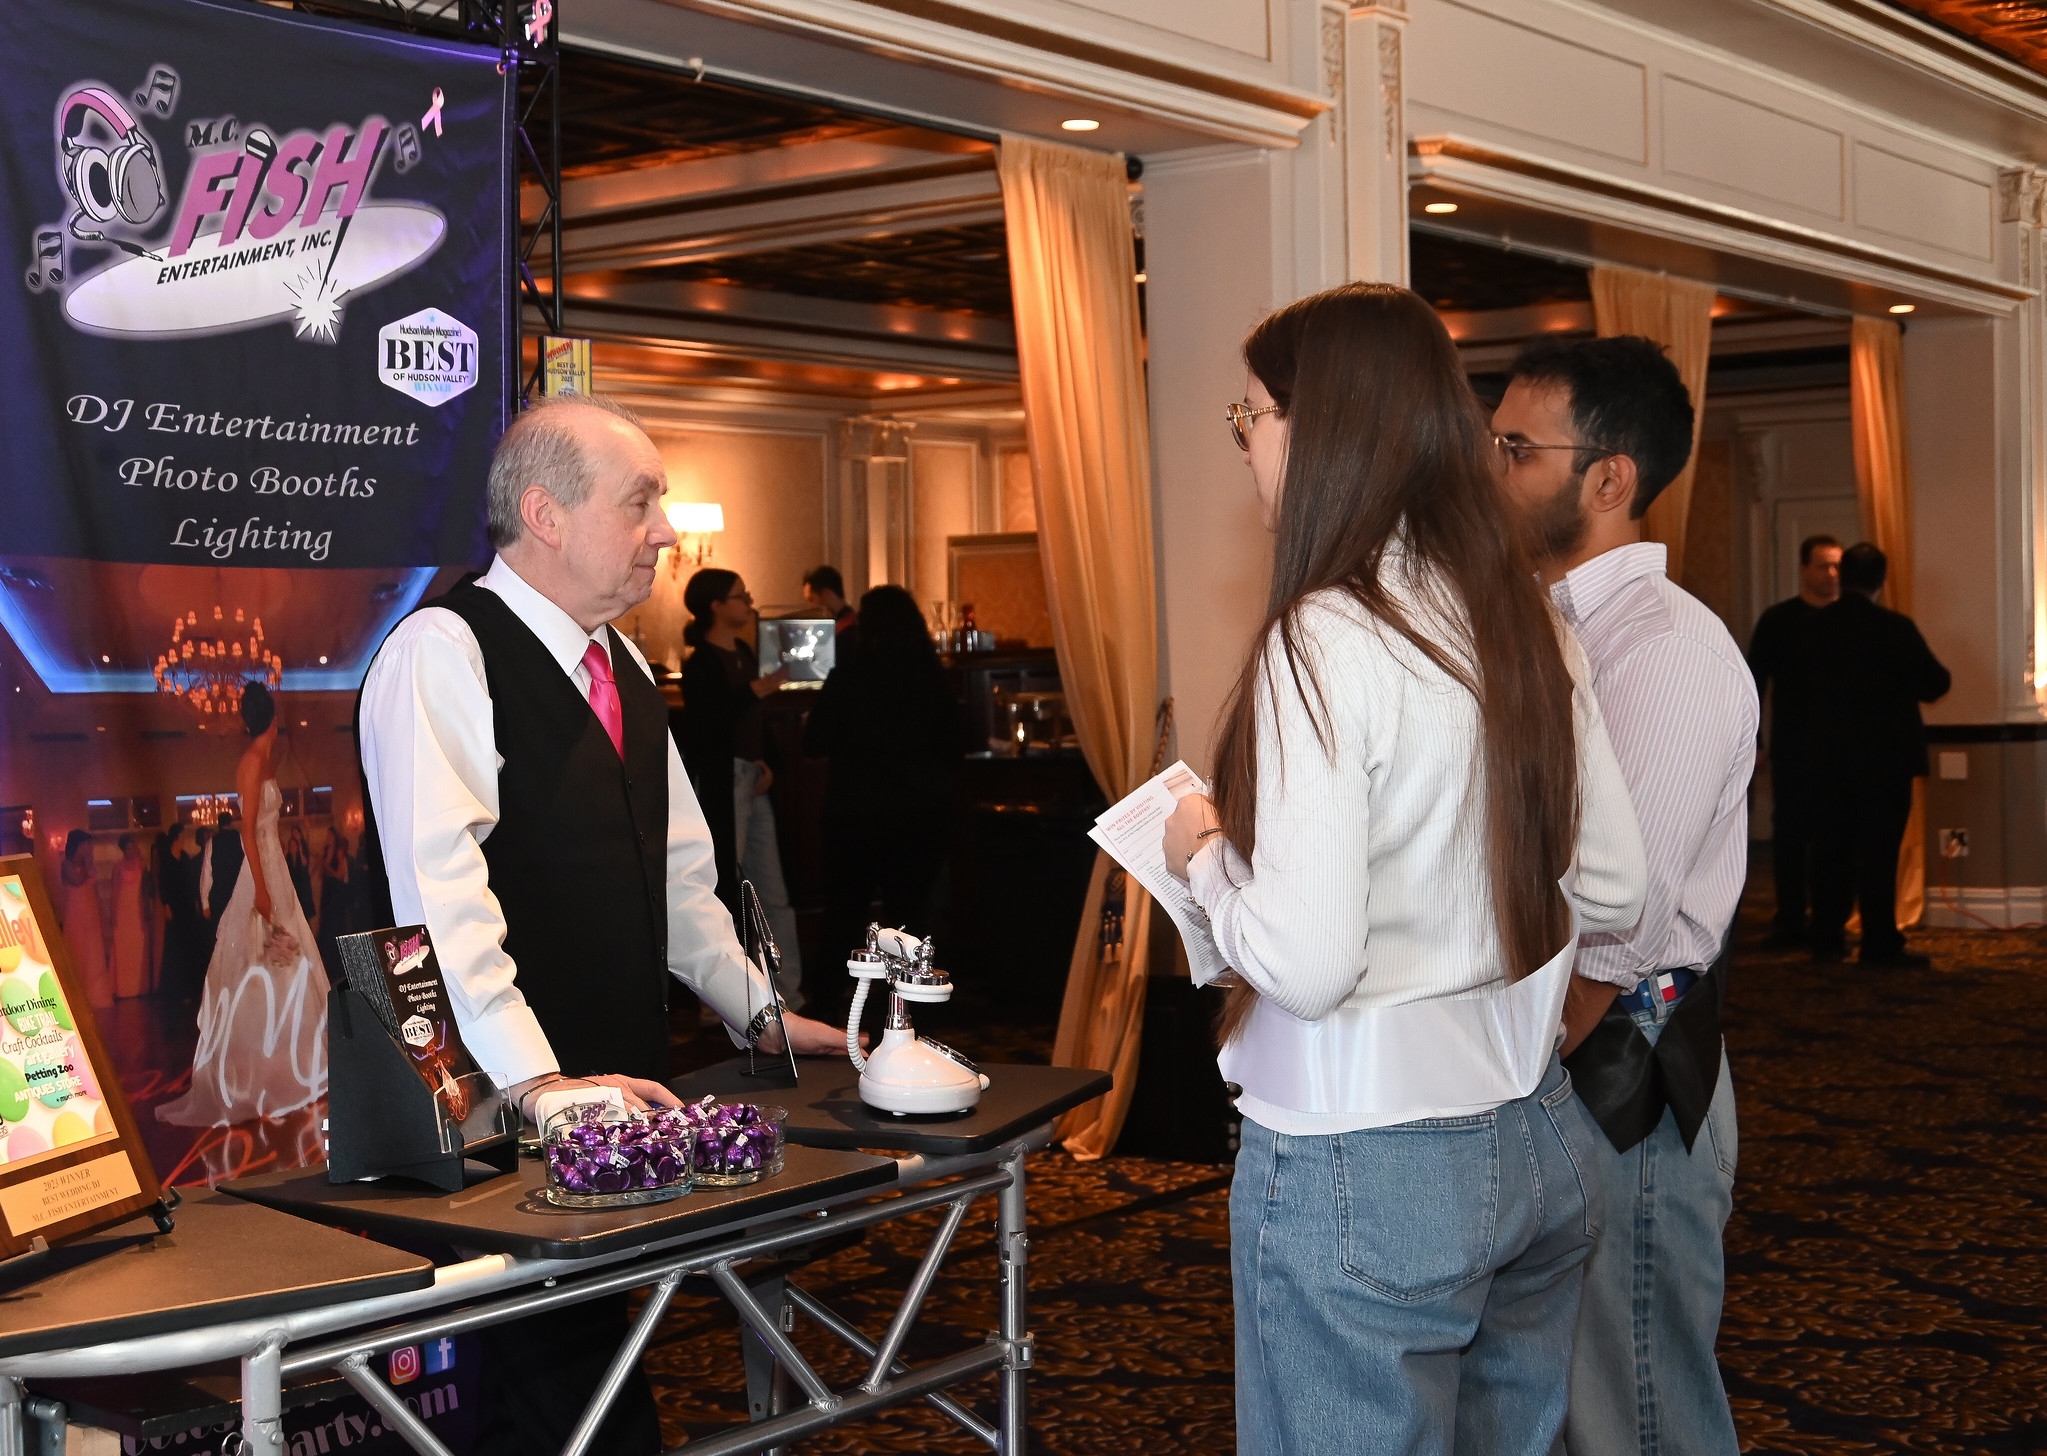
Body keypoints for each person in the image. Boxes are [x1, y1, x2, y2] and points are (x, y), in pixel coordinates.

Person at [1159, 283, 1648, 1453]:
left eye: (1251, 415)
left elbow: (1307, 964)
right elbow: (1618, 889)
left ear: (1320, 428)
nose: (1245, 443)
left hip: (1364, 1160)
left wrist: (1205, 853)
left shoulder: (1326, 634)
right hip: (1533, 1134)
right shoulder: (1523, 617)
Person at [357, 393, 851, 1456]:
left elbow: (677, 878)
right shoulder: (444, 651)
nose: (665, 532)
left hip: (611, 1104)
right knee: (550, 1405)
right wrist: (537, 1088)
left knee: (579, 1390)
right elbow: (439, 901)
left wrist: (759, 1012)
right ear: (545, 512)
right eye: (640, 503)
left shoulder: (620, 665)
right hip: (494, 1127)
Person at [1494, 334, 1758, 1456]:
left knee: (1635, 1413)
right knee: (1552, 1406)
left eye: (1516, 450)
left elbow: (1618, 926)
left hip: (1622, 1070)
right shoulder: (1539, 627)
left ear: (1608, 479)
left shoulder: (1665, 650)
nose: (1489, 470)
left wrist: (1501, 1076)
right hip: (1549, 1059)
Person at [159, 682, 329, 1127]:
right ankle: (260, 1070)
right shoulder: (251, 762)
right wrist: (261, 889)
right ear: (272, 717)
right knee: (258, 961)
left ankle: (298, 1060)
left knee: (289, 958)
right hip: (261, 870)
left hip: (276, 866)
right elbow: (248, 833)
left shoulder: (267, 759)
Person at [1801, 542, 1950, 967]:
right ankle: (1879, 940)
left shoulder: (1814, 628)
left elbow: (1797, 692)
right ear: (1882, 581)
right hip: (1887, 761)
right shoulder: (1895, 628)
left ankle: (1827, 937)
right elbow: (1936, 683)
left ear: (1842, 577)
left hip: (1827, 758)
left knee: (1830, 850)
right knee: (1879, 853)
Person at [804, 585, 965, 976]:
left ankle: (833, 998)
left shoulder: (848, 677)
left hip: (855, 813)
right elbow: (955, 746)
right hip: (920, 813)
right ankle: (909, 999)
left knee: (844, 915)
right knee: (911, 916)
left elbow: (813, 742)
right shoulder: (933, 679)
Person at [678, 567, 803, 1006]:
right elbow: (707, 722)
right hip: (723, 778)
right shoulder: (701, 661)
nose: (748, 603)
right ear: (716, 606)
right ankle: (730, 999)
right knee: (725, 887)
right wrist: (756, 689)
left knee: (771, 888)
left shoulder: (744, 650)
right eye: (740, 596)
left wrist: (768, 763)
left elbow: (754, 722)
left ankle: (787, 994)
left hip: (752, 775)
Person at [1747, 534, 1844, 947]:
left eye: (1838, 566)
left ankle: (1829, 921)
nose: (1832, 574)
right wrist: (1756, 740)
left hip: (1843, 749)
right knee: (1790, 835)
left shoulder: (1852, 620)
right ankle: (1790, 919)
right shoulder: (1779, 620)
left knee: (1836, 839)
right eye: (1823, 565)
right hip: (1793, 745)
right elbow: (1753, 683)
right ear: (1804, 569)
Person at [155, 822, 210, 1003]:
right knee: (175, 948)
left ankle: (191, 989)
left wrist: (196, 902)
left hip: (187, 907)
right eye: (183, 835)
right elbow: (163, 884)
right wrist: (166, 906)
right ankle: (175, 992)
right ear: (177, 836)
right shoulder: (167, 858)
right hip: (175, 907)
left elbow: (191, 882)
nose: (185, 838)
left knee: (189, 948)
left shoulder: (184, 856)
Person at [59, 830, 112, 1009]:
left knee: (94, 953)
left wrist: (102, 914)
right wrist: (87, 865)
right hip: (76, 914)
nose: (90, 848)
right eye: (87, 844)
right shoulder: (66, 864)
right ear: (78, 845)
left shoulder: (89, 864)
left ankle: (96, 995)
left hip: (91, 913)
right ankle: (76, 996)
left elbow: (94, 891)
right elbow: (77, 880)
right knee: (78, 952)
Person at [111, 833, 151, 998]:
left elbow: (146, 889)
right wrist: (113, 914)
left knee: (138, 945)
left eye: (133, 847)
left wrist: (147, 909)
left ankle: (139, 987)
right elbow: (114, 892)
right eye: (128, 848)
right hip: (123, 910)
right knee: (123, 948)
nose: (132, 850)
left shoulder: (142, 864)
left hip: (137, 908)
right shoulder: (118, 867)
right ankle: (123, 989)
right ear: (123, 849)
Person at [203, 808, 244, 927]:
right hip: (238, 894)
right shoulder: (241, 839)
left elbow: (206, 874)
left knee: (220, 932)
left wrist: (205, 904)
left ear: (219, 825)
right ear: (231, 823)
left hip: (219, 896)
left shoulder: (212, 843)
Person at [802, 564, 855, 633]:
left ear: (827, 594)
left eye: (811, 599)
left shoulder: (849, 628)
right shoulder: (851, 621)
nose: (811, 606)